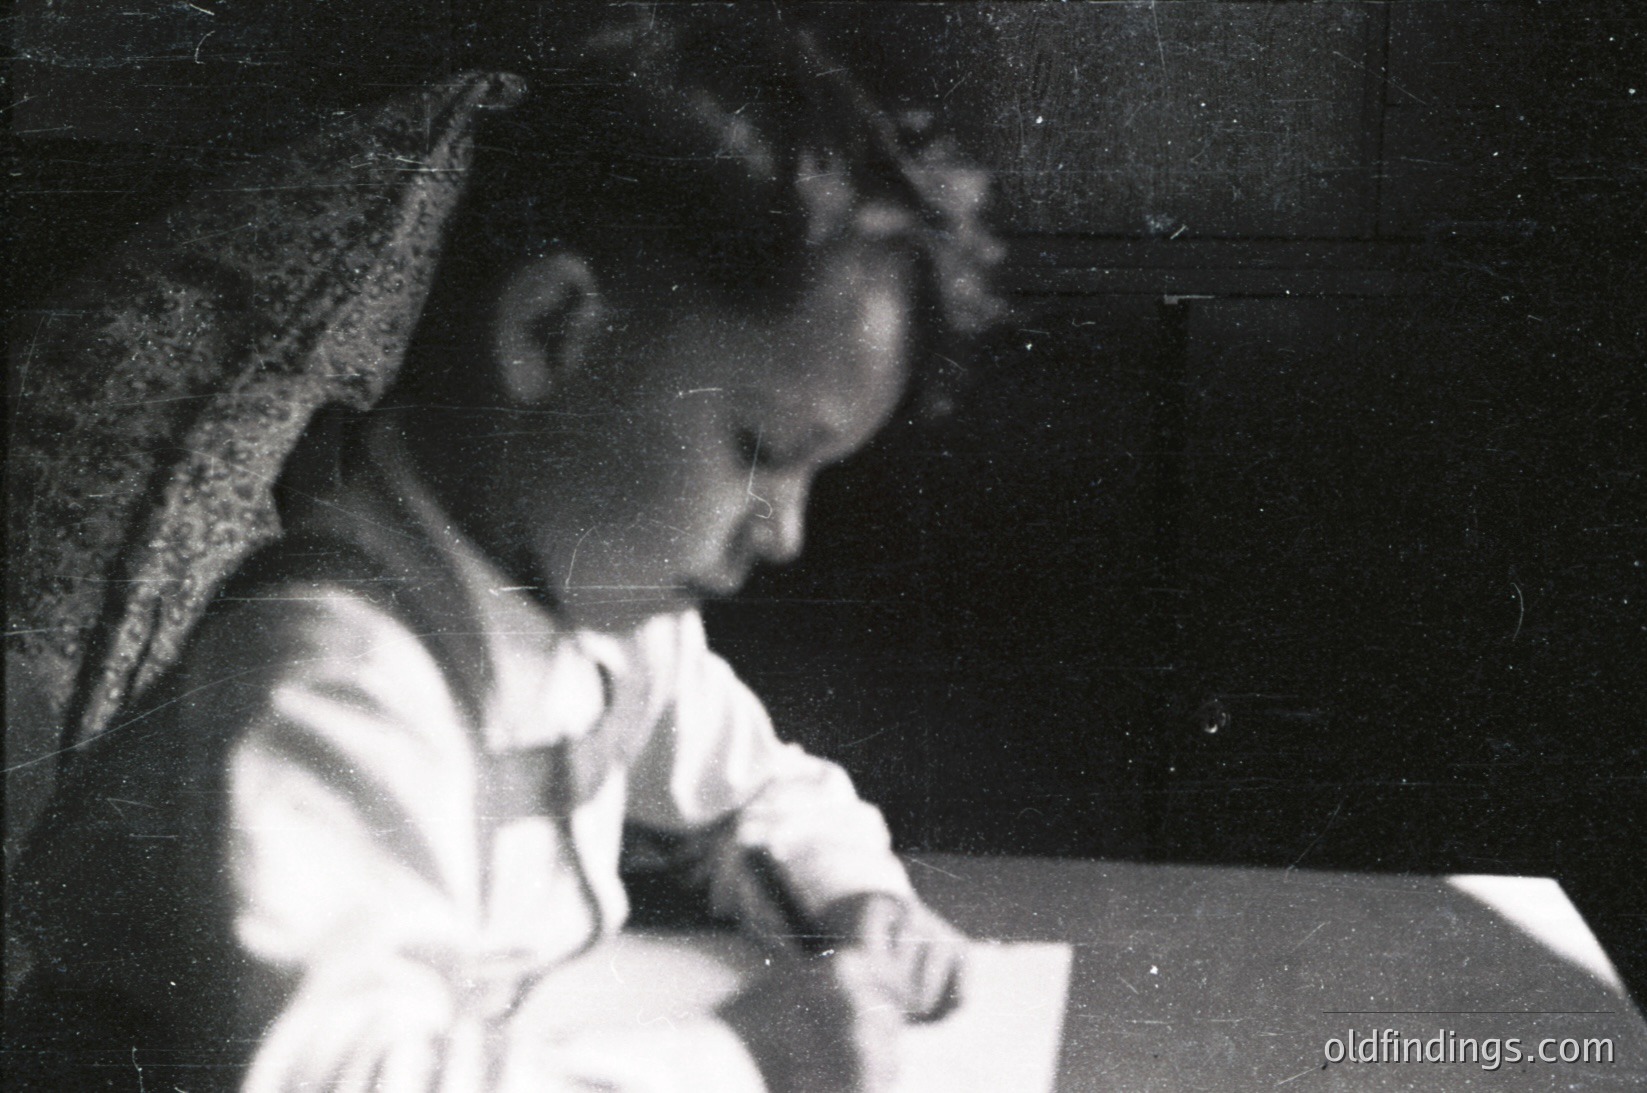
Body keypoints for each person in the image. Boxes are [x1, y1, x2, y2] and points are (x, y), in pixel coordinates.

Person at [6, 6, 1002, 1092]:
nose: (786, 528)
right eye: (759, 449)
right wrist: (736, 1063)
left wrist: (857, 899)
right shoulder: (329, 673)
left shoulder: (606, 622)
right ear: (551, 334)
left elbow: (752, 796)